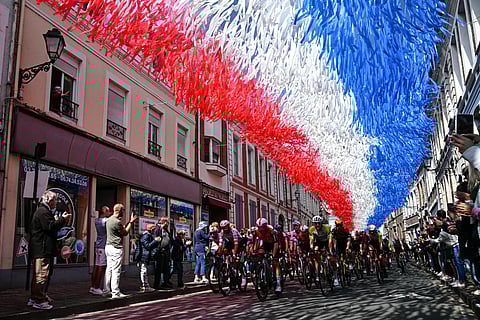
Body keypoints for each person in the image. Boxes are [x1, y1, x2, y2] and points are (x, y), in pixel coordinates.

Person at [28, 191, 72, 310]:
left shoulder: (42, 211)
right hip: (42, 248)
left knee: (39, 274)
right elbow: (50, 227)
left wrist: (57, 220)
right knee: (42, 274)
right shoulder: (43, 212)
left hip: (41, 247)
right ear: (48, 200)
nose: (56, 203)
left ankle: (34, 297)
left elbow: (50, 225)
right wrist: (62, 220)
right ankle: (39, 300)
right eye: (54, 200)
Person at [105, 203, 137, 299]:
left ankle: (106, 290)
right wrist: (131, 222)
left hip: (108, 246)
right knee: (116, 271)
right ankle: (115, 292)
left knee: (109, 269)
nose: (124, 213)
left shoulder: (109, 220)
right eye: (123, 211)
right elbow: (125, 233)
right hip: (116, 248)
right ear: (119, 211)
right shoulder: (117, 222)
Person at [90, 206, 111, 295]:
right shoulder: (105, 221)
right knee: (101, 267)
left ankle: (93, 286)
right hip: (103, 245)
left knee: (96, 266)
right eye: (108, 211)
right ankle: (97, 287)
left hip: (98, 245)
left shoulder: (97, 220)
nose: (109, 213)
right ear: (105, 211)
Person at [135, 224, 160, 292]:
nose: (154, 231)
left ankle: (145, 285)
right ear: (151, 230)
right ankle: (145, 286)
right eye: (154, 230)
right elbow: (147, 246)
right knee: (144, 271)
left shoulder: (147, 235)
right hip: (143, 256)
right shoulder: (146, 236)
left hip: (144, 256)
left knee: (144, 271)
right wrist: (155, 241)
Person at [153, 217, 172, 289]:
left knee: (166, 268)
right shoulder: (158, 228)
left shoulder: (166, 230)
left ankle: (165, 282)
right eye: (167, 222)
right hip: (160, 251)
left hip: (166, 251)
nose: (168, 224)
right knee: (159, 268)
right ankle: (157, 284)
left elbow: (170, 238)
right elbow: (156, 238)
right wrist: (161, 228)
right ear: (163, 222)